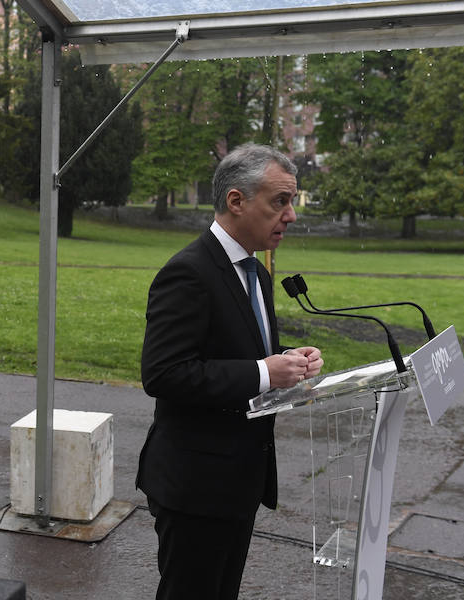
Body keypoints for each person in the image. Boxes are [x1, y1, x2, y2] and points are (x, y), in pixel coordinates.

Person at [137, 143, 323, 599]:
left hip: (238, 482)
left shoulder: (257, 273)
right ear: (236, 201)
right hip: (195, 487)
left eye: (292, 202)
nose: (291, 216)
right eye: (280, 201)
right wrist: (265, 371)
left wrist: (288, 360)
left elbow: (239, 349)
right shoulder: (187, 272)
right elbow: (163, 373)